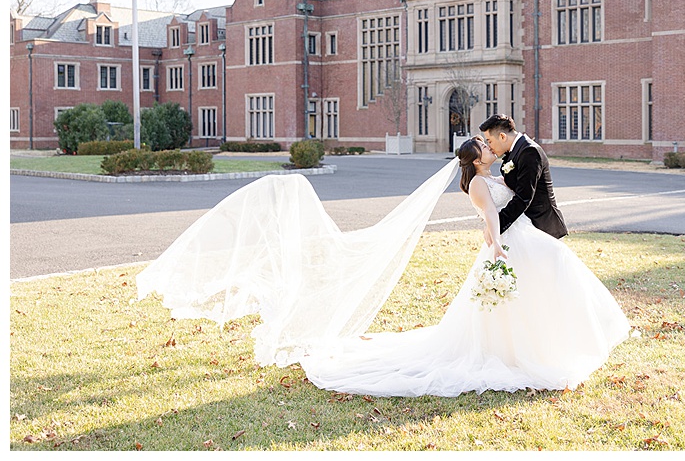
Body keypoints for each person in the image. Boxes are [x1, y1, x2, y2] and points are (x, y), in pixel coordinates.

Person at [136, 138, 631, 397]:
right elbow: (488, 222)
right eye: (482, 147)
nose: (488, 147)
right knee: (508, 308)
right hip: (505, 246)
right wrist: (497, 252)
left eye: (487, 144)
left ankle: (542, 344)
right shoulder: (479, 184)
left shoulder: (492, 171)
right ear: (474, 158)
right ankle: (523, 352)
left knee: (547, 287)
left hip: (519, 243)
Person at [479, 114, 567, 239]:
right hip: (526, 227)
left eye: (490, 141)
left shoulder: (530, 151)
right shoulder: (516, 150)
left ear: (502, 136)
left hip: (542, 227)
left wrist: (496, 225)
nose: (489, 147)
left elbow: (523, 197)